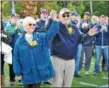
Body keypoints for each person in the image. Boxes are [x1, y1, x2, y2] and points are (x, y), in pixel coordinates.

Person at [48, 8, 97, 87]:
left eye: (68, 15)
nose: (66, 17)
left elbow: (81, 38)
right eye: (64, 15)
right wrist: (52, 20)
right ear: (60, 17)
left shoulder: (74, 28)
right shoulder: (55, 25)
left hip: (71, 60)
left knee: (68, 84)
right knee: (57, 83)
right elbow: (48, 34)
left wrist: (89, 34)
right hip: (58, 59)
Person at [13, 13, 59, 88]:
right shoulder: (19, 42)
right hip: (26, 73)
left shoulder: (40, 37)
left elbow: (50, 34)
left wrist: (55, 22)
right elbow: (16, 58)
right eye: (30, 24)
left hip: (37, 73)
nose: (32, 26)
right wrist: (18, 73)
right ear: (24, 26)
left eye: (34, 24)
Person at [5, 13, 24, 85]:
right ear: (11, 19)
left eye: (17, 18)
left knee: (20, 63)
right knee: (11, 64)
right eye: (14, 18)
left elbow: (24, 34)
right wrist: (15, 28)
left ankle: (20, 79)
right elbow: (9, 34)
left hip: (20, 49)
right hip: (11, 48)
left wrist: (20, 28)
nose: (15, 19)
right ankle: (12, 79)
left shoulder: (21, 27)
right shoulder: (8, 26)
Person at [0, 21, 12, 87]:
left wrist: (2, 37)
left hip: (2, 53)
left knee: (1, 67)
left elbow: (9, 41)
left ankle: (2, 84)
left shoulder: (5, 33)